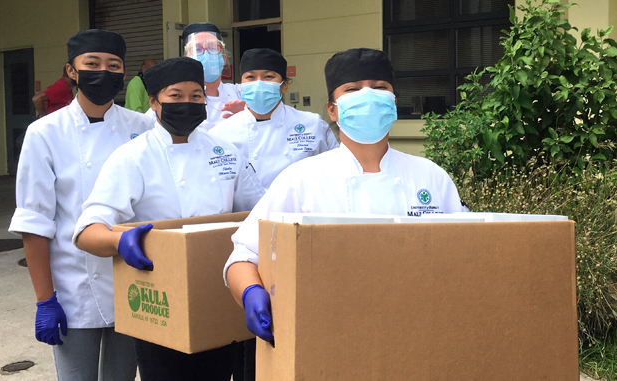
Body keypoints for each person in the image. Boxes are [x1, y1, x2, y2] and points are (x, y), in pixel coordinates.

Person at [223, 48, 469, 370]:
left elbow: (467, 251)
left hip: (417, 340)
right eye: (352, 89)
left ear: (394, 102)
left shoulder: (431, 177)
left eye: (379, 87)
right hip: (327, 344)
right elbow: (242, 257)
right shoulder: (302, 179)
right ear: (333, 110)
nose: (367, 96)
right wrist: (252, 293)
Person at [73, 57, 264, 381]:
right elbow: (86, 231)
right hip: (159, 301)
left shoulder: (225, 151)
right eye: (175, 96)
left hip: (218, 294)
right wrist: (119, 240)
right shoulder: (133, 156)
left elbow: (260, 212)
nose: (187, 104)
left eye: (196, 96)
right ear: (154, 101)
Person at [8, 29, 153, 381]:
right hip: (72, 287)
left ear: (123, 72)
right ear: (71, 71)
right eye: (92, 63)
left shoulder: (143, 127)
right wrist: (45, 300)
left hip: (133, 280)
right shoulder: (44, 133)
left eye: (113, 64)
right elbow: (34, 221)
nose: (103, 71)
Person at [209, 48, 339, 191]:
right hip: (245, 213)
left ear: (284, 85)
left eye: (268, 77)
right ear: (241, 85)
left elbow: (335, 172)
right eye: (250, 77)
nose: (259, 83)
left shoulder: (312, 125)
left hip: (299, 211)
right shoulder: (221, 134)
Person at [181, 22, 246, 130]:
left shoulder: (240, 93)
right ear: (186, 60)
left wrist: (248, 115)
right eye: (197, 49)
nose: (206, 55)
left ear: (224, 59)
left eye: (213, 48)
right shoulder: (174, 98)